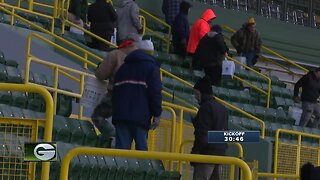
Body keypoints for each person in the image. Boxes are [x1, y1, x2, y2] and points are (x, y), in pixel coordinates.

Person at [112, 40, 162, 151]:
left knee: (121, 154)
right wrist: (157, 114)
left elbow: (115, 93)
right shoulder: (152, 68)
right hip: (141, 116)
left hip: (121, 115)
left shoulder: (123, 68)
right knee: (141, 154)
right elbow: (155, 92)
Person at [92, 33, 140, 140]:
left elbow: (101, 74)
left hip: (115, 94)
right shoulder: (140, 57)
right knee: (124, 125)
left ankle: (112, 137)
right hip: (135, 98)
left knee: (97, 116)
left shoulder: (116, 54)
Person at [191, 76, 228, 180]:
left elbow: (202, 135)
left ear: (202, 93)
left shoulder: (205, 108)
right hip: (220, 155)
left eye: (197, 94)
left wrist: (195, 153)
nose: (195, 97)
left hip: (206, 155)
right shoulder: (222, 108)